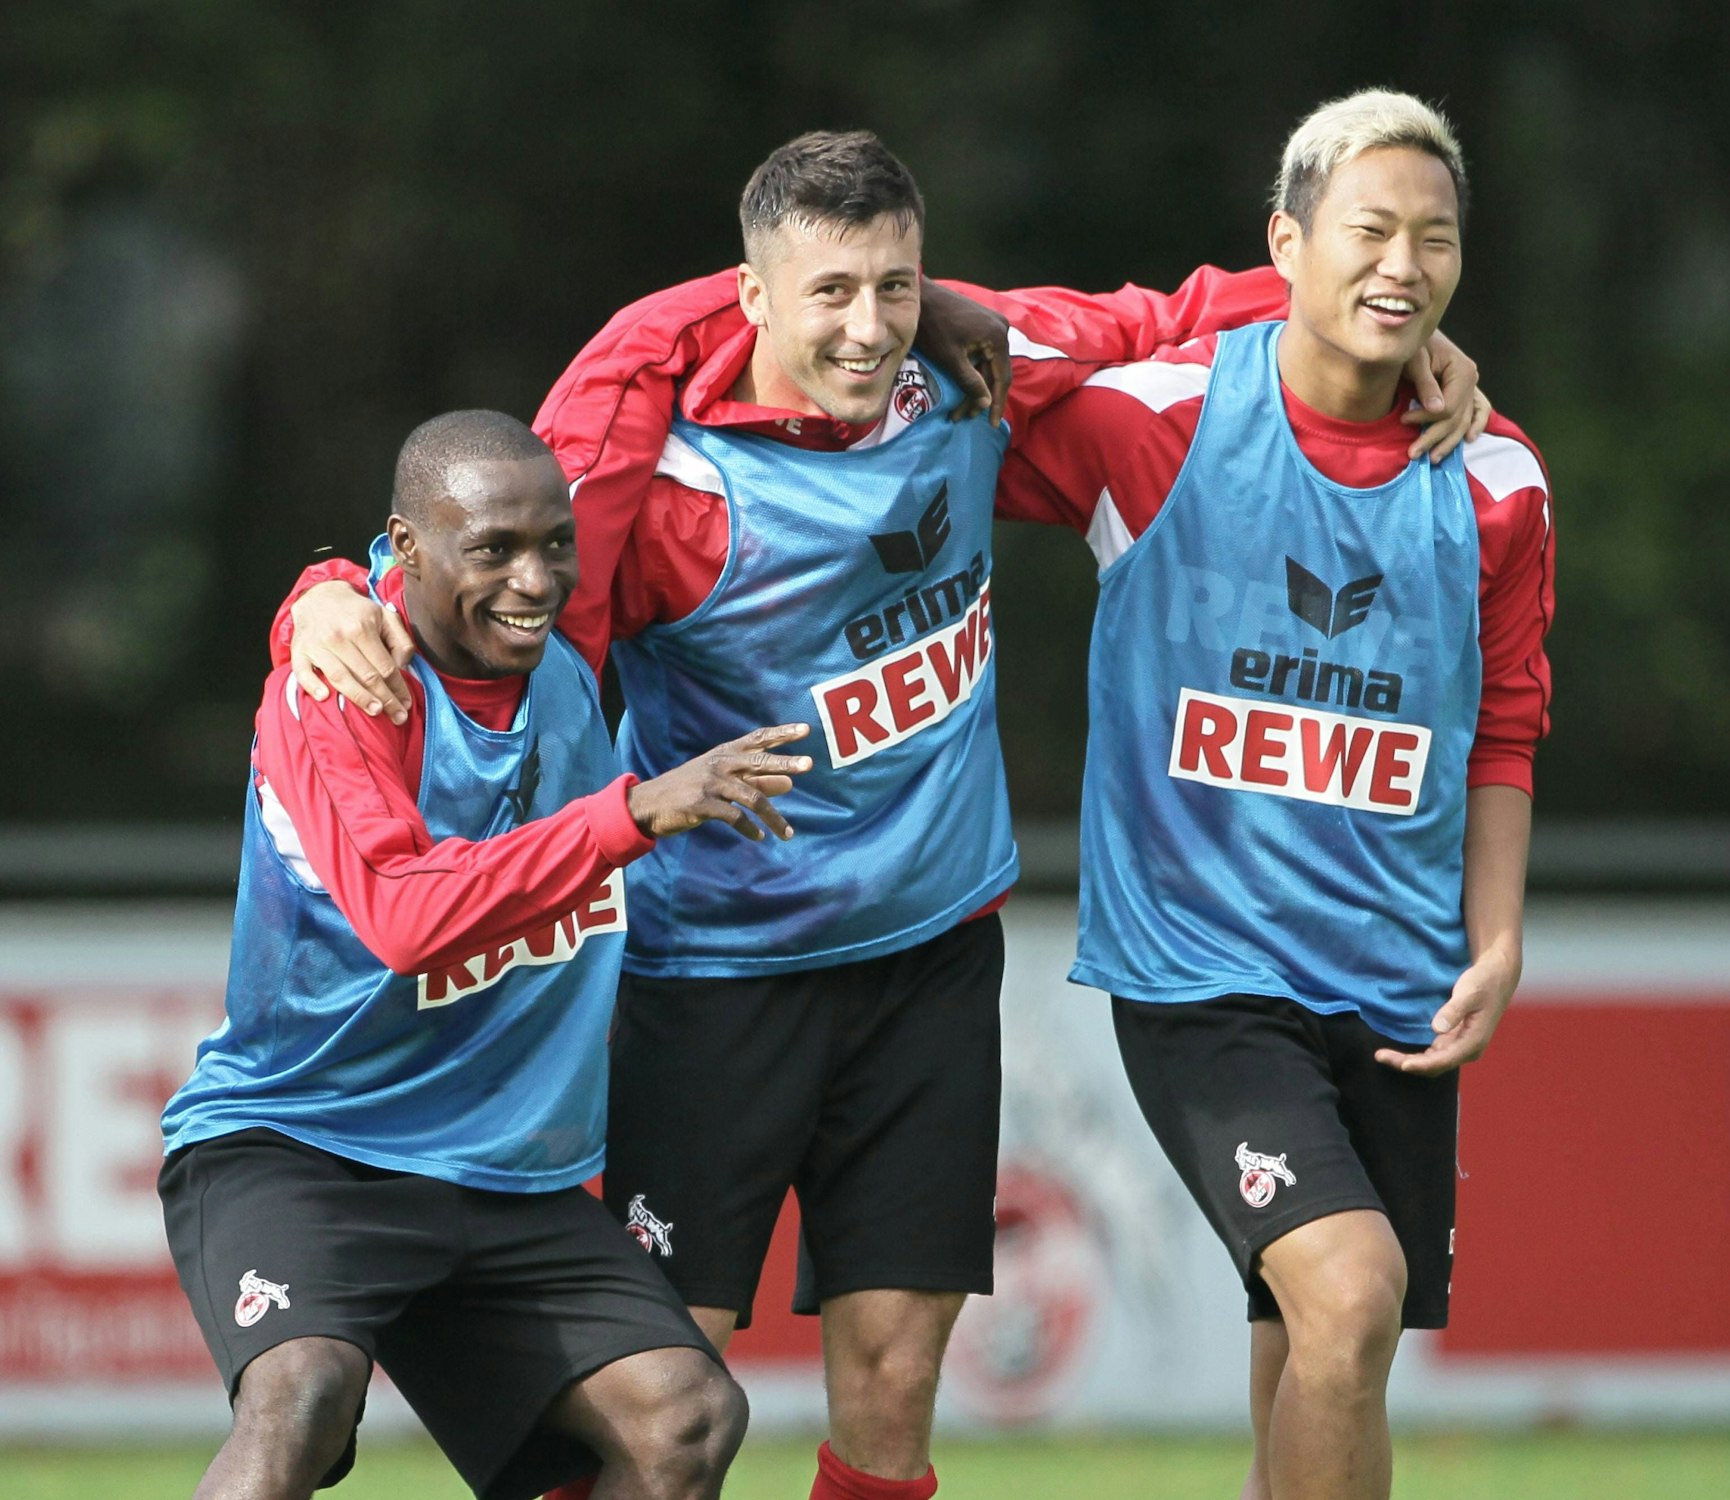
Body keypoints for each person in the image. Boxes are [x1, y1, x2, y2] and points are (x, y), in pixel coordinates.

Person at [276, 133, 1488, 1500]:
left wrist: (1389, 328)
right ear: (751, 298)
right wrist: (322, 595)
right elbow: (471, 599)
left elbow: (1169, 313)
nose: (867, 328)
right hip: (715, 977)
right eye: (831, 293)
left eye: (896, 288)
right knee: (662, 1390)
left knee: (900, 1377)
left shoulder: (971, 376)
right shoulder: (659, 485)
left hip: (930, 966)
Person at [997, 91, 1553, 1500]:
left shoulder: (1496, 481)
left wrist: (1495, 941)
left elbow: (1503, 725)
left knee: (1317, 1359)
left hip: (1396, 983)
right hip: (1205, 977)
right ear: (1283, 242)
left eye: (1434, 239)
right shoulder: (1160, 420)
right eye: (1368, 231)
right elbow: (926, 365)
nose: (1404, 264)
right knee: (1351, 1293)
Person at [160, 410, 814, 1500]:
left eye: (556, 543)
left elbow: (638, 369)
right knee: (302, 1398)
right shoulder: (335, 693)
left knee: (686, 1418)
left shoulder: (561, 650)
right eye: (494, 549)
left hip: (506, 1171)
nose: (535, 578)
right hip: (307, 1143)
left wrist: (928, 325)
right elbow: (407, 918)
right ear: (406, 551)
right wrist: (631, 812)